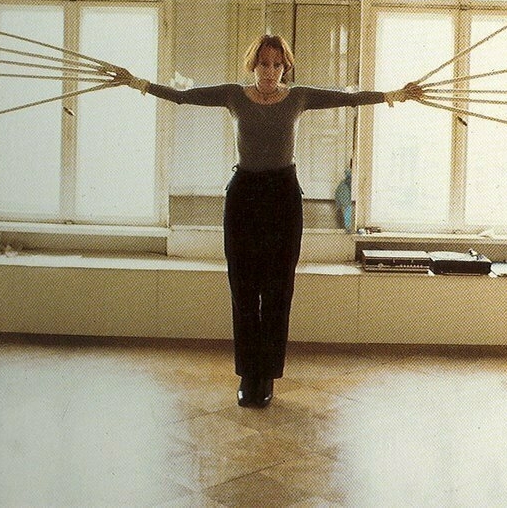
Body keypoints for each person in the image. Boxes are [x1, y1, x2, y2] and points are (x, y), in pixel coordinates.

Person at [117, 34, 422, 408]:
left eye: (277, 65)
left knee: (278, 288)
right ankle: (249, 374)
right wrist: (137, 83)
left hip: (283, 196)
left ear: (285, 67)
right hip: (244, 194)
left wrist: (395, 95)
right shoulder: (233, 95)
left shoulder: (298, 97)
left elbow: (348, 99)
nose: (270, 72)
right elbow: (184, 97)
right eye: (264, 63)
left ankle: (267, 375)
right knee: (244, 287)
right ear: (253, 64)